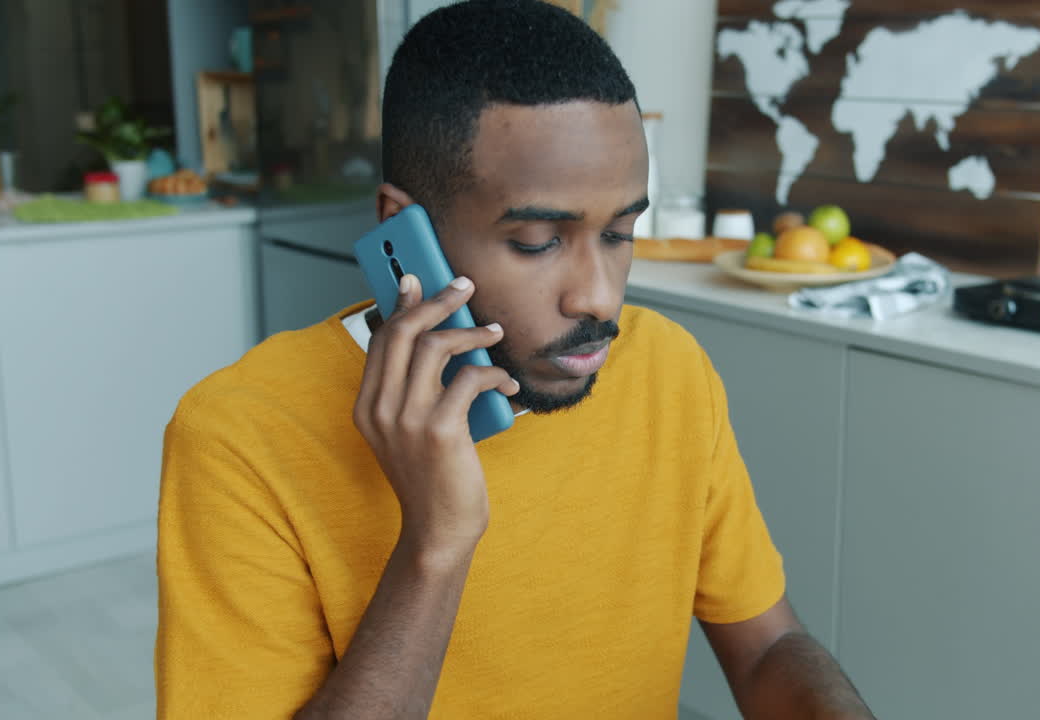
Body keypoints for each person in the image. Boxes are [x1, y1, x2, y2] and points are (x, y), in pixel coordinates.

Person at [155, 1, 875, 718]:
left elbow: (766, 647)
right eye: (538, 242)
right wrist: (436, 543)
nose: (598, 298)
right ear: (404, 234)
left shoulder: (668, 369)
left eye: (621, 232)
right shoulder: (240, 437)